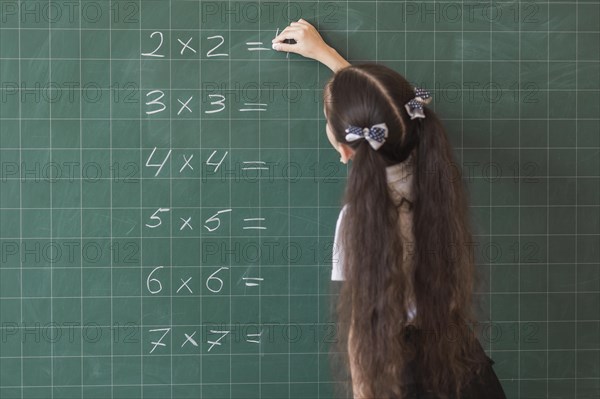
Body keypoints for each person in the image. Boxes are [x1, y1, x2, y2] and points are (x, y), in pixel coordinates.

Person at [273, 20, 507, 399]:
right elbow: (391, 111)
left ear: (346, 150)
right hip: (466, 369)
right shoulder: (434, 172)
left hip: (406, 380)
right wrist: (328, 57)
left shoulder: (359, 220)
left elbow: (361, 334)